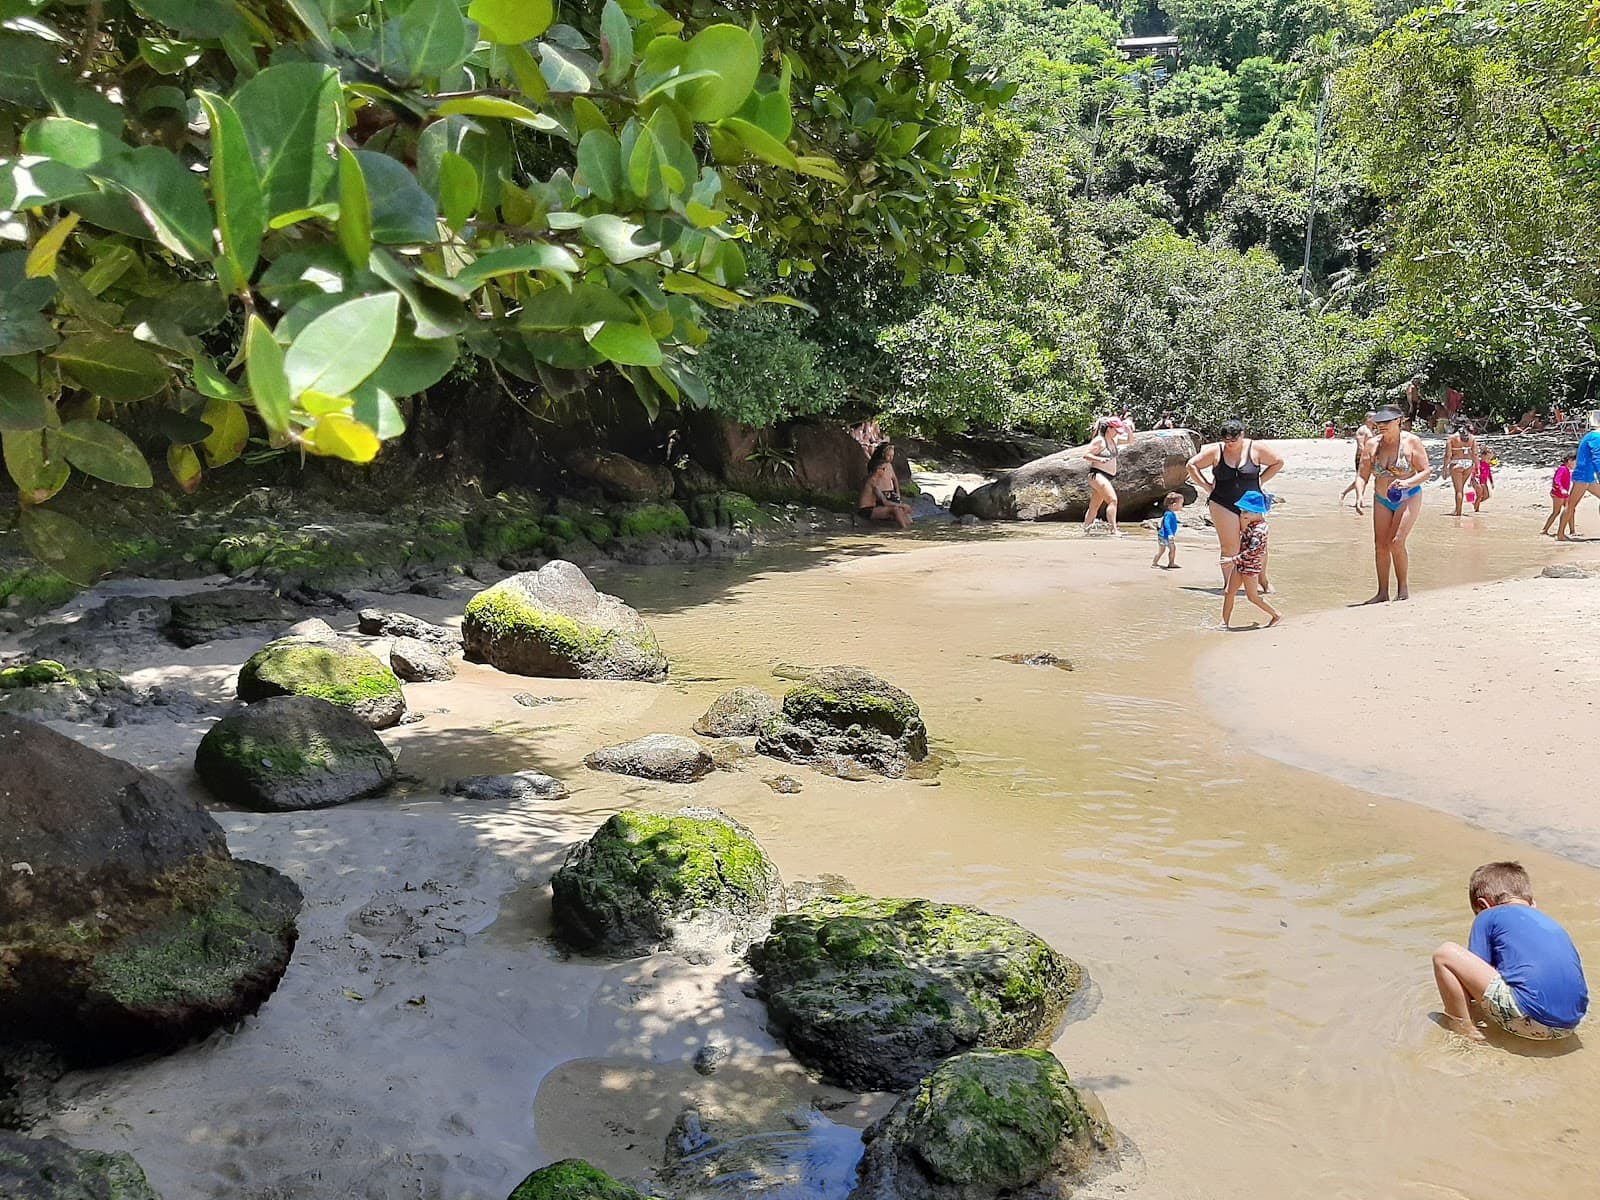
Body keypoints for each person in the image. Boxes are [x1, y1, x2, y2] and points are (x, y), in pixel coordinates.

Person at [1431, 861, 1588, 1043]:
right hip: (1569, 1024)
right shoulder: (1552, 924)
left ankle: (1464, 1030)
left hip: (1530, 1018)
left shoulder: (1488, 915)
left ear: (1483, 905)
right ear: (1532, 903)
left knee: (1445, 954)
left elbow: (1472, 984)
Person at [1186, 419, 1285, 590]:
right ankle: (1230, 585)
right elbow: (1191, 465)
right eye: (1226, 440)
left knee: (1258, 543)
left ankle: (1263, 581)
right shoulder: (1217, 451)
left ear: (1242, 435)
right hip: (1223, 502)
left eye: (1233, 440)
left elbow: (1278, 462)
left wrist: (1261, 481)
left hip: (1251, 503)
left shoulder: (1255, 448)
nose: (1230, 444)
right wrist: (1206, 486)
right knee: (1229, 546)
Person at [1359, 404, 1431, 603]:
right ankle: (1382, 592)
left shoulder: (1412, 441)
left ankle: (1403, 589)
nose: (1381, 426)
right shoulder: (1373, 444)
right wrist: (1359, 495)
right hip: (1381, 498)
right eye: (1379, 422)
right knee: (1380, 545)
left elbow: (1426, 471)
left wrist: (1407, 482)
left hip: (1408, 495)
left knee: (1396, 542)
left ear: (1399, 421)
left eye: (1386, 422)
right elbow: (1362, 475)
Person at [1219, 490, 1280, 628]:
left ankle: (1276, 615)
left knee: (1252, 597)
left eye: (1246, 512)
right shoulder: (1253, 524)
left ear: (1257, 512)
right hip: (1241, 564)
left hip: (1250, 566)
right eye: (1242, 511)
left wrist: (1233, 560)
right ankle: (1224, 622)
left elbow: (1253, 551)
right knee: (1229, 592)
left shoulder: (1259, 530)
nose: (1243, 514)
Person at [1082, 416, 1135, 535]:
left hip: (1106, 476)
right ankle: (1114, 530)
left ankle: (1086, 530)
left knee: (1094, 506)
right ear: (1109, 428)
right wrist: (1099, 459)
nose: (1117, 433)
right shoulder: (1100, 440)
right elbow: (1086, 455)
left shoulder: (1114, 440)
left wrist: (1129, 430)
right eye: (1116, 430)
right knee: (1113, 500)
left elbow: (1131, 441)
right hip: (1097, 474)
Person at [1558, 417, 1600, 541]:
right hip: (1583, 476)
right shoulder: (1597, 438)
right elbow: (1597, 458)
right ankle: (1560, 534)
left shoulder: (1593, 435)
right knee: (1571, 506)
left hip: (1588, 475)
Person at [857, 442, 912, 529]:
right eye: (882, 469)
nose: (884, 471)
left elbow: (884, 499)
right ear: (877, 469)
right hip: (866, 510)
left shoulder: (873, 480)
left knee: (901, 512)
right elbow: (885, 501)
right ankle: (904, 530)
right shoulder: (872, 481)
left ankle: (906, 528)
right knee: (896, 509)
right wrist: (902, 505)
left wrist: (898, 496)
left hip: (872, 507)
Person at [1338, 412, 1377, 513]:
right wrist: (1366, 458)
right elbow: (1361, 446)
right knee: (1363, 478)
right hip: (1362, 456)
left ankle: (1346, 494)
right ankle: (1358, 499)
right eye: (1374, 417)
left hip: (1371, 457)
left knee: (1365, 479)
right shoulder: (1362, 430)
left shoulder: (1372, 430)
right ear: (1368, 418)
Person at [1444, 419, 1479, 517]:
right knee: (1461, 488)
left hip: (1456, 464)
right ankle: (1457, 509)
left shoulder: (1451, 438)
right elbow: (1475, 453)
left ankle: (1458, 513)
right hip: (1468, 464)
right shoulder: (1472, 438)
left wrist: (1445, 468)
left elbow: (1448, 455)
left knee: (1458, 490)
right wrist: (1477, 466)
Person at [1543, 452, 1576, 536]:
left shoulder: (1567, 469)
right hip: (1558, 493)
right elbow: (1557, 480)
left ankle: (1572, 531)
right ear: (1569, 460)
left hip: (1564, 494)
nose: (1576, 464)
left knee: (1570, 510)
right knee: (1556, 512)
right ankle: (1544, 530)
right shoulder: (1562, 469)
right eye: (1575, 461)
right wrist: (1561, 489)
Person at [1151, 491, 1183, 569]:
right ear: (1174, 505)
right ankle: (1154, 563)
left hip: (1167, 536)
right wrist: (1170, 534)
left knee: (1173, 549)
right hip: (1164, 536)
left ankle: (1171, 563)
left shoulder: (1171, 513)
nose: (1182, 506)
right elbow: (1166, 524)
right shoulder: (1168, 514)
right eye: (1181, 504)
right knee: (1162, 550)